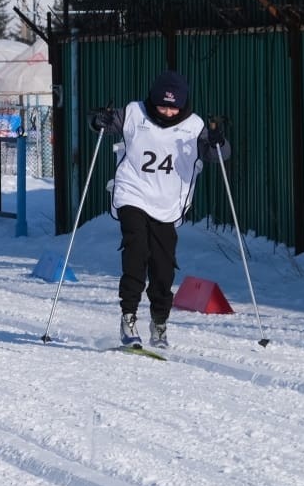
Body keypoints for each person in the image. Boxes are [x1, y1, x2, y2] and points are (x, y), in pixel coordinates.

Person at [90, 70, 229, 349]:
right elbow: (100, 123)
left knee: (163, 266)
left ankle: (159, 322)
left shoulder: (194, 126)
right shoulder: (134, 113)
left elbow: (219, 156)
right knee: (136, 250)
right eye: (162, 105)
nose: (167, 111)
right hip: (133, 192)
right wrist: (100, 119)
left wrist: (218, 140)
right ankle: (128, 316)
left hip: (168, 203)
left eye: (173, 106)